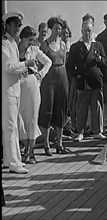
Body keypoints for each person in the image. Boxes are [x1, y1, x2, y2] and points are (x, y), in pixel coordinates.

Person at [2, 11, 37, 173]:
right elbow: (8, 67)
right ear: (7, 26)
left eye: (19, 25)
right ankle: (14, 162)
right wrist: (25, 64)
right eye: (15, 24)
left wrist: (23, 69)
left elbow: (14, 67)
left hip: (15, 90)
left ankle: (10, 160)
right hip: (7, 91)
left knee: (13, 126)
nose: (17, 28)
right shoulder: (4, 44)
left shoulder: (13, 44)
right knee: (10, 127)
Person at [66, 14, 107, 142]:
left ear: (92, 31)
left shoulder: (98, 45)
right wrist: (76, 74)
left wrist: (100, 60)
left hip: (95, 81)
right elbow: (69, 65)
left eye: (89, 31)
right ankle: (80, 132)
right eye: (85, 30)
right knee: (81, 108)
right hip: (82, 82)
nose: (87, 33)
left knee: (97, 106)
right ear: (81, 31)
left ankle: (97, 131)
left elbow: (105, 63)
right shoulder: (75, 47)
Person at [18, 26, 52, 164]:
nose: (31, 43)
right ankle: (25, 147)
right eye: (29, 40)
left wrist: (40, 74)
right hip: (17, 85)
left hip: (31, 85)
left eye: (33, 40)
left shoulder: (34, 50)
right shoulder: (14, 49)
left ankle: (31, 152)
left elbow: (48, 62)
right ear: (23, 38)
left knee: (32, 117)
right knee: (19, 118)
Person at [38, 16, 69, 154]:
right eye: (56, 28)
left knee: (60, 109)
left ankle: (59, 143)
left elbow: (65, 61)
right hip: (48, 80)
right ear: (51, 29)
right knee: (47, 109)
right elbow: (40, 63)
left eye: (60, 29)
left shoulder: (63, 44)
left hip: (62, 78)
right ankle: (46, 144)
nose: (58, 31)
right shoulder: (44, 45)